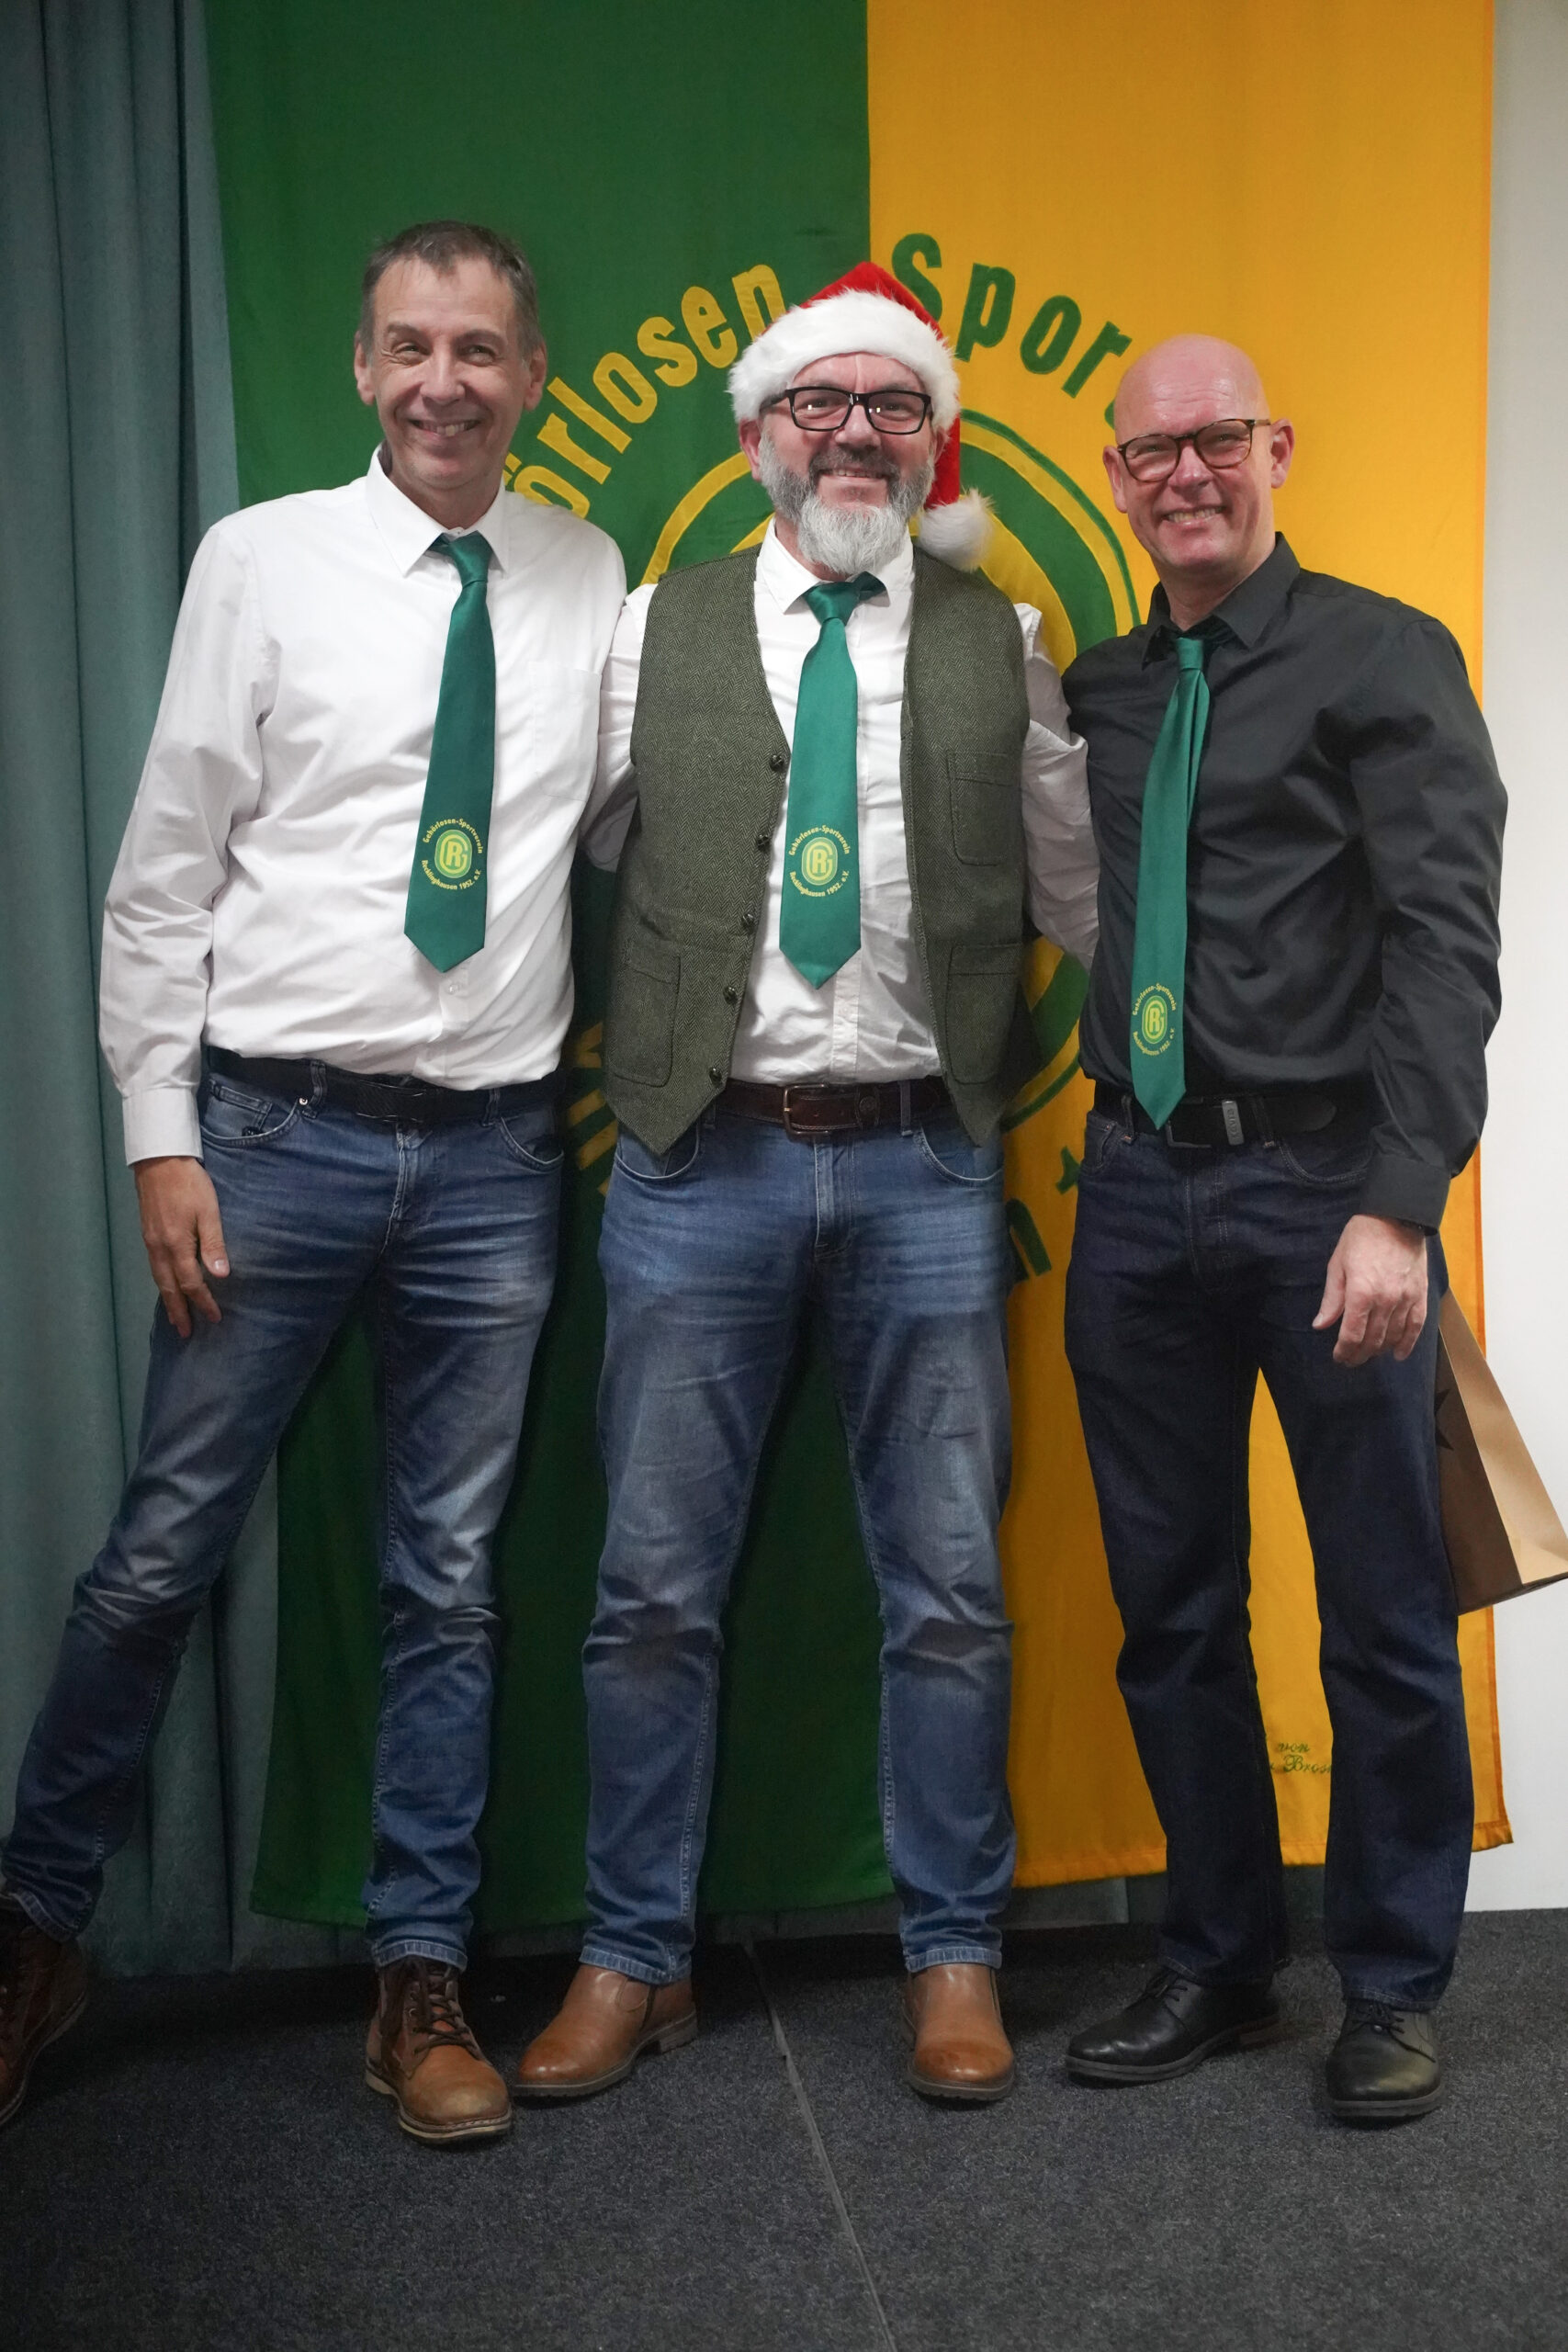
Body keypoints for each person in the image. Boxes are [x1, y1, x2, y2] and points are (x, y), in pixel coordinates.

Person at [0, 221, 626, 2146]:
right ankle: (34, 1930)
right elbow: (166, 867)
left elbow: (625, 822)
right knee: (158, 1556)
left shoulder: (589, 574)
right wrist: (159, 1132)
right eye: (410, 346)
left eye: (481, 349)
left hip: (497, 1156)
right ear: (363, 367)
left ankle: (416, 1976)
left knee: (449, 1582)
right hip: (270, 1142)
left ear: (531, 375)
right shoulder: (258, 560)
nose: (445, 381)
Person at [514, 263, 1098, 2109]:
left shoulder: (1001, 637)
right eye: (821, 403)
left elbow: (1081, 888)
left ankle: (954, 1952)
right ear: (761, 431)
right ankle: (631, 1956)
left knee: (947, 1591)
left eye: (893, 405)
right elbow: (549, 856)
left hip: (928, 1161)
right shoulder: (652, 628)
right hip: (701, 1160)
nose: (857, 432)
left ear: (933, 443)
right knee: (649, 1591)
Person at [1059, 334, 1505, 2122]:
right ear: (1115, 477)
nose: (1185, 472)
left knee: (1380, 1611)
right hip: (1132, 1190)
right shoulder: (1102, 686)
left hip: (1327, 1195)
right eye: (1151, 450)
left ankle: (1389, 1983)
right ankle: (1221, 1960)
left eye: (1216, 440)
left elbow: (1444, 947)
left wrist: (1398, 1204)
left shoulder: (1383, 655)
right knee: (1170, 1608)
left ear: (1275, 448)